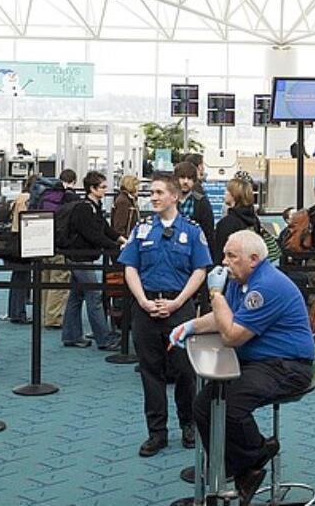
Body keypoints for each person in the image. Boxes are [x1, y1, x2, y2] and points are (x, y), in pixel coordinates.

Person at [171, 231, 315, 506]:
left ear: (253, 259)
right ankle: (241, 468)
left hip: (288, 366)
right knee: (204, 406)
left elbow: (232, 335)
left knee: (230, 407)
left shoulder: (266, 286)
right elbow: (225, 315)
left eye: (231, 256)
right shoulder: (241, 279)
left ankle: (254, 457)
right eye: (225, 254)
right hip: (260, 362)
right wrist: (189, 326)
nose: (224, 262)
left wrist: (214, 292)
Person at [118, 175, 211, 456]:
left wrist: (178, 302)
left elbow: (200, 270)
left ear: (174, 197)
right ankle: (156, 432)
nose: (154, 197)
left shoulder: (192, 231)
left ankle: (188, 424)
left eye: (159, 193)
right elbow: (130, 267)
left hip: (178, 307)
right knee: (150, 371)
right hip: (146, 307)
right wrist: (143, 301)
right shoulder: (142, 229)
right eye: (151, 193)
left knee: (185, 371)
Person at [62, 171, 120, 350]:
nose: (105, 190)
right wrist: (115, 245)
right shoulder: (85, 208)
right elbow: (94, 235)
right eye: (102, 187)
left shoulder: (94, 206)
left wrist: (121, 239)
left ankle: (71, 336)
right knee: (94, 296)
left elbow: (105, 229)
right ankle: (104, 339)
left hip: (79, 256)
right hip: (80, 257)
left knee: (77, 296)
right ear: (92, 189)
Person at [40, 169, 81, 328]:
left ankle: (43, 313)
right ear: (74, 181)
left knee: (45, 278)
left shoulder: (46, 194)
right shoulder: (71, 198)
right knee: (59, 281)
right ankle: (53, 317)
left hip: (43, 241)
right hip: (61, 245)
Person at [0, 174, 35, 325]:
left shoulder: (18, 197)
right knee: (22, 278)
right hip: (24, 239)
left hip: (15, 238)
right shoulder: (28, 199)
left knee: (17, 278)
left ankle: (14, 311)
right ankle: (18, 313)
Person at [214, 178, 267, 266]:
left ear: (234, 195)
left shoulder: (227, 223)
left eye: (227, 191)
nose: (225, 194)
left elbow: (219, 254)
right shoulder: (254, 220)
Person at [175, 161, 216, 246]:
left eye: (189, 178)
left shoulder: (201, 202)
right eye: (182, 177)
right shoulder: (169, 200)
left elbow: (208, 233)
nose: (185, 181)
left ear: (194, 181)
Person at [111, 175, 140, 244]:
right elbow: (119, 225)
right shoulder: (123, 201)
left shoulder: (129, 199)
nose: (138, 187)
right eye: (136, 185)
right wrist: (124, 240)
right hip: (126, 239)